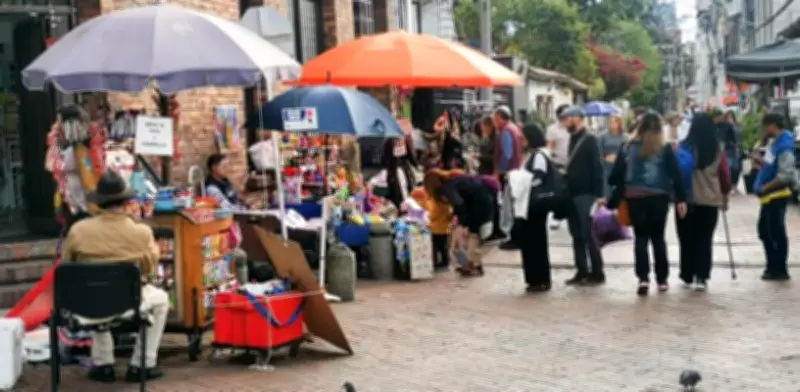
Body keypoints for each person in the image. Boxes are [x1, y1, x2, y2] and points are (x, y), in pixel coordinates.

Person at [61, 170, 168, 383]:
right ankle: (142, 364)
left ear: (99, 202)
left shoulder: (78, 230)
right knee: (161, 300)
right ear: (127, 201)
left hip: (88, 305)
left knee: (94, 292)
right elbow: (150, 271)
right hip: (128, 302)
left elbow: (67, 268)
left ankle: (103, 364)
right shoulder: (142, 232)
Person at [608, 113, 687, 295]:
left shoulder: (627, 146)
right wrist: (681, 198)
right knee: (658, 238)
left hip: (634, 197)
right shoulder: (665, 148)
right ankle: (662, 279)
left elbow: (616, 175)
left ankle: (643, 279)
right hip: (659, 196)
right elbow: (676, 174)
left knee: (641, 237)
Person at [675, 113, 731, 291]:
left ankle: (687, 274)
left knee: (686, 239)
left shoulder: (683, 148)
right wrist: (725, 193)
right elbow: (725, 176)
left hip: (686, 199)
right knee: (705, 239)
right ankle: (702, 276)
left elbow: (675, 174)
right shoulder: (718, 150)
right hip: (709, 199)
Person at [562, 106, 606, 286]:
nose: (564, 123)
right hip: (572, 192)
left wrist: (599, 194)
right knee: (576, 234)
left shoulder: (590, 139)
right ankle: (581, 269)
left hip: (586, 193)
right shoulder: (572, 138)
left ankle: (597, 271)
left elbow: (598, 168)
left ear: (578, 118)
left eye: (567, 119)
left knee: (589, 233)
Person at [508, 123, 552, 292]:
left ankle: (539, 278)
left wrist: (520, 181)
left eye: (523, 137)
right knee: (532, 241)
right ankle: (534, 278)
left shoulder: (539, 155)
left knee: (536, 241)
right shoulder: (531, 155)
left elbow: (539, 178)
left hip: (534, 204)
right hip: (528, 204)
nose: (521, 139)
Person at [753, 113, 796, 281]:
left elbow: (785, 174)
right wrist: (759, 160)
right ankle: (772, 265)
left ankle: (779, 268)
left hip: (777, 194)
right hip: (768, 196)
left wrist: (766, 187)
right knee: (765, 231)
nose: (765, 130)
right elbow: (770, 164)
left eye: (766, 127)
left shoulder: (784, 145)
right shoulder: (775, 143)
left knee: (775, 232)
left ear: (773, 125)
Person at [430, 172, 495, 276]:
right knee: (473, 236)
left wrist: (461, 224)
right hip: (484, 201)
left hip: (478, 207)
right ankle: (471, 264)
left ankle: (475, 266)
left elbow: (459, 205)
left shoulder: (449, 190)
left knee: (473, 236)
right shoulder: (455, 183)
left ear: (442, 196)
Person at [205, 154, 250, 283]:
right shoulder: (212, 188)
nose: (227, 168)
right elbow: (227, 208)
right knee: (240, 256)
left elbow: (235, 199)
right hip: (222, 234)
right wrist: (242, 209)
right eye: (224, 166)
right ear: (214, 168)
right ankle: (242, 286)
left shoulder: (225, 182)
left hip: (232, 228)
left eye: (228, 165)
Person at [546, 104, 571, 230]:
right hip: (559, 164)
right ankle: (557, 217)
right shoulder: (553, 129)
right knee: (559, 191)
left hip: (573, 164)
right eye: (564, 114)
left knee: (572, 191)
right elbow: (550, 145)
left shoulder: (573, 128)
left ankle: (572, 216)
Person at [424, 170, 453, 271]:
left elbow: (433, 215)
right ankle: (445, 262)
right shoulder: (447, 202)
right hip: (445, 228)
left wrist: (428, 217)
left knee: (436, 247)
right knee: (443, 246)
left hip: (436, 228)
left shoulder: (436, 203)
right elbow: (449, 214)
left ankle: (439, 262)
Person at [381, 137, 417, 208]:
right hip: (395, 172)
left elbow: (411, 157)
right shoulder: (389, 141)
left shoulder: (405, 139)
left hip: (404, 170)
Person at [598, 114, 626, 198]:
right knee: (607, 193)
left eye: (615, 122)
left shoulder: (625, 137)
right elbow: (599, 153)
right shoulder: (602, 137)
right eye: (610, 122)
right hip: (606, 168)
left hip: (620, 168)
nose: (612, 124)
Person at [724, 110, 744, 193]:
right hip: (728, 150)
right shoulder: (724, 127)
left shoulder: (737, 126)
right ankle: (729, 186)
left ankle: (734, 185)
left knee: (737, 168)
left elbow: (739, 136)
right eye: (728, 117)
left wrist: (732, 125)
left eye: (731, 117)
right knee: (729, 168)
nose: (729, 119)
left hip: (737, 150)